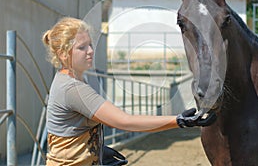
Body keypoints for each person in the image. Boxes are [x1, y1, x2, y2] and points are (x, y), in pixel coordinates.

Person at [42, 17, 216, 166]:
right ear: (63, 54)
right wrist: (178, 121)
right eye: (82, 47)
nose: (91, 51)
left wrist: (96, 151)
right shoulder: (73, 89)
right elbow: (125, 121)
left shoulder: (72, 79)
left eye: (90, 44)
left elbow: (71, 131)